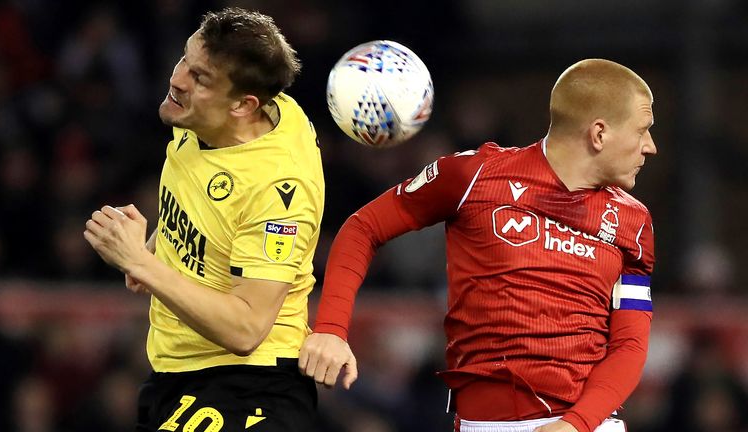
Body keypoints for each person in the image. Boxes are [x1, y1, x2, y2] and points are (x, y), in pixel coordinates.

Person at [300, 58, 657, 432]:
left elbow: (629, 346)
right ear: (599, 134)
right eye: (643, 130)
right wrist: (330, 328)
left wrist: (575, 425)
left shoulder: (634, 222)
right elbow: (363, 227)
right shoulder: (474, 177)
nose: (651, 147)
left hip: (587, 424)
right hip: (484, 423)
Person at [84, 7, 323, 431]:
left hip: (250, 388)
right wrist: (161, 245)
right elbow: (209, 206)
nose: (177, 79)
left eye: (201, 78)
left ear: (243, 106)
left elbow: (247, 329)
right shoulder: (202, 114)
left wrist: (142, 264)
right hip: (175, 376)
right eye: (184, 60)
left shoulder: (279, 190)